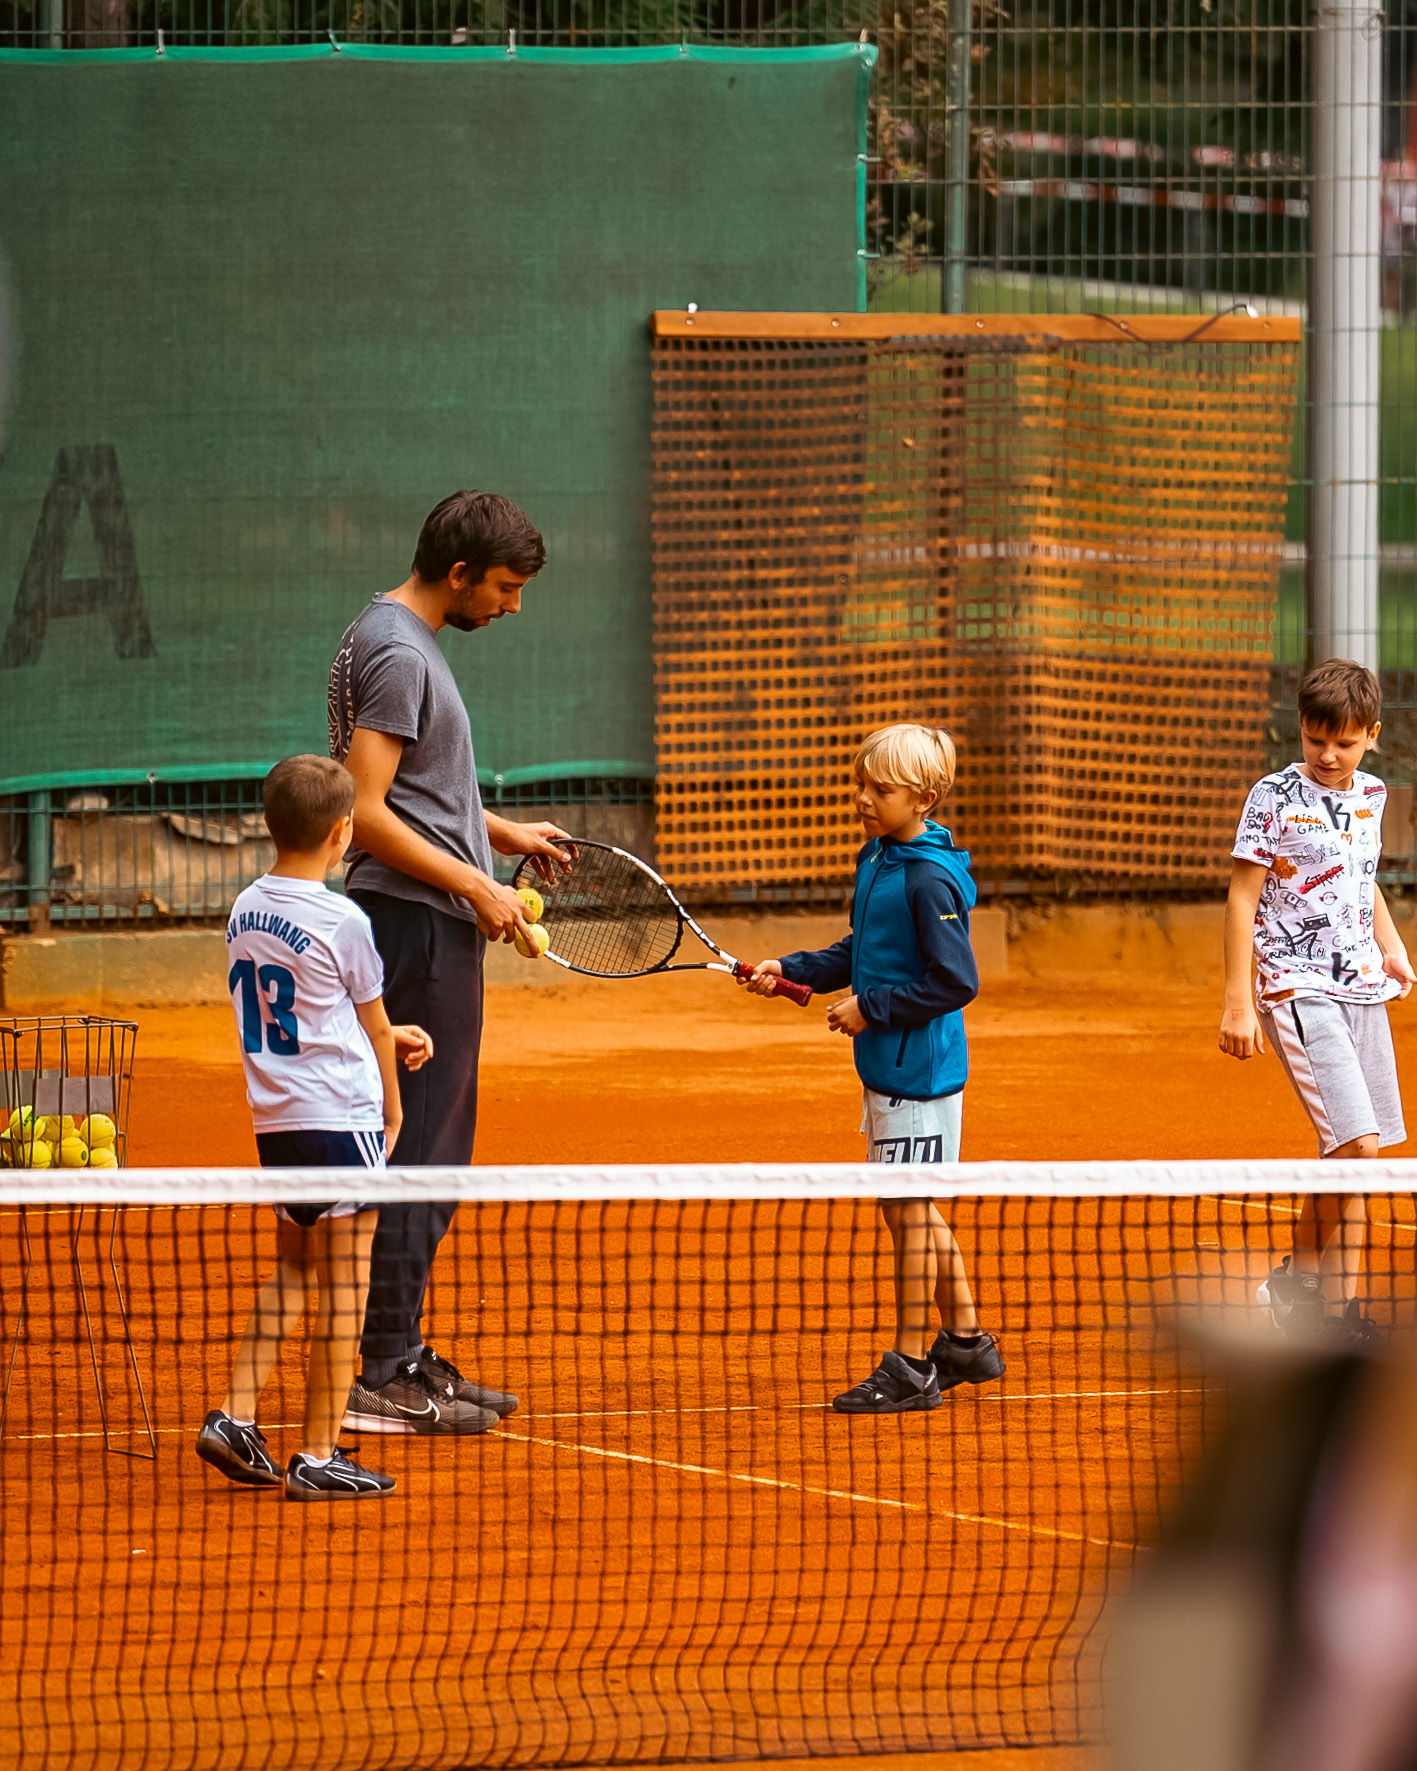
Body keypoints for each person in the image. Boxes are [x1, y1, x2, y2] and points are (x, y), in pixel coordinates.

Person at [328, 489, 573, 1437]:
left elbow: (420, 790)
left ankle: (399, 1345)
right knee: (421, 1145)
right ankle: (383, 1367)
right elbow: (368, 807)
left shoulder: (389, 633)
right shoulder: (397, 649)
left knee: (431, 1142)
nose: (512, 606)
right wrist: (477, 886)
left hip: (424, 917)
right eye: (504, 587)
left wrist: (498, 831)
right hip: (418, 925)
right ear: (458, 572)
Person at [741, 723, 1005, 1414]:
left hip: (917, 1071)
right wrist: (793, 969)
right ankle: (968, 1340)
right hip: (888, 1067)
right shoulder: (880, 856)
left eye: (878, 789)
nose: (863, 797)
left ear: (922, 797)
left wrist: (871, 1009)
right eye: (861, 783)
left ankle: (912, 1362)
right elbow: (865, 947)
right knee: (904, 1207)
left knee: (909, 1211)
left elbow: (954, 981)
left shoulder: (926, 877)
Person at [196, 755, 437, 1499]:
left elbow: (306, 1006)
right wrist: (392, 1110)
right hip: (345, 1121)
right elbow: (367, 1022)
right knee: (343, 1288)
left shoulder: (244, 907)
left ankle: (235, 1416)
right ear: (343, 833)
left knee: (295, 1268)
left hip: (280, 1123)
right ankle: (317, 1451)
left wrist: (386, 1034)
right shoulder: (345, 919)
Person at [1220, 657, 1414, 1341]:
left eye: (1343, 740)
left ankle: (1323, 1304)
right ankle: (1312, 1299)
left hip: (1363, 985)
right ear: (1298, 728)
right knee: (1355, 1145)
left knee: (1359, 1154)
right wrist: (1238, 1001)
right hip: (1296, 988)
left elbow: (1363, 885)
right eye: (1314, 737)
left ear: (1371, 735)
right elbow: (1242, 897)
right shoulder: (1271, 795)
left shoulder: (1373, 794)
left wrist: (1390, 946)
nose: (1326, 754)